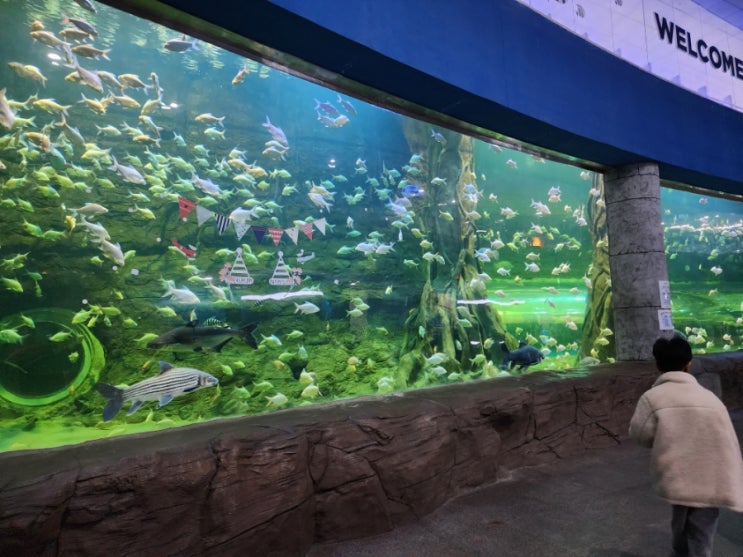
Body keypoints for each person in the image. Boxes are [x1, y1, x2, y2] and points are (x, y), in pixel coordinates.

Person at [629, 335, 743, 557]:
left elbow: (639, 435)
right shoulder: (710, 398)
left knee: (681, 518)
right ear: (688, 364)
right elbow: (727, 440)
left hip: (679, 473)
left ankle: (681, 551)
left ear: (658, 365)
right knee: (703, 528)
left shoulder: (653, 397)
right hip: (715, 474)